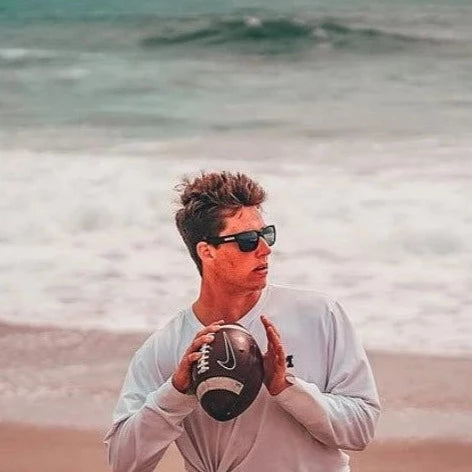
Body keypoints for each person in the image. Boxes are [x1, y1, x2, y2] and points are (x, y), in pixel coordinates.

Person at [104, 171, 381, 472]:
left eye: (267, 234)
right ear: (206, 251)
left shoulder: (319, 314)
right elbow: (123, 462)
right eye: (248, 240)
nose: (265, 248)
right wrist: (176, 393)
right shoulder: (165, 348)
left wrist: (287, 388)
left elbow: (361, 429)